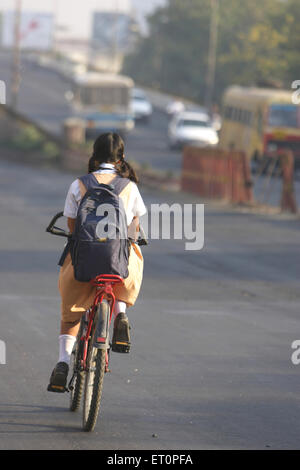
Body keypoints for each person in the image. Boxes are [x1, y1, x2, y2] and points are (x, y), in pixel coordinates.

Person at [48, 132, 147, 393]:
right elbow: (135, 226)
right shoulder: (130, 187)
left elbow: (72, 225)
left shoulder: (79, 184)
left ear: (94, 155)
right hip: (117, 263)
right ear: (121, 159)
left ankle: (62, 362)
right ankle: (121, 315)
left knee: (71, 313)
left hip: (84, 263)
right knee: (131, 258)